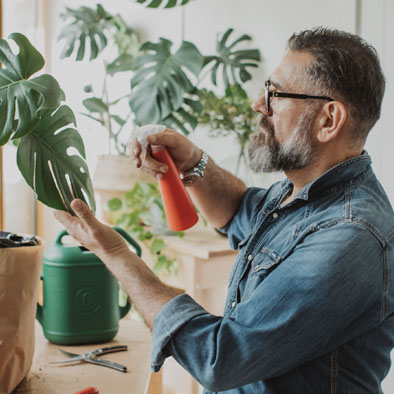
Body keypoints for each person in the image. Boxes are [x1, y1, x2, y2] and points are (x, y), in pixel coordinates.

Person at [55, 27, 394, 393]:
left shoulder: (349, 237)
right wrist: (193, 163)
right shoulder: (303, 195)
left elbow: (219, 357)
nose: (259, 105)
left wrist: (116, 253)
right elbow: (239, 211)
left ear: (328, 120)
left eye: (275, 94)